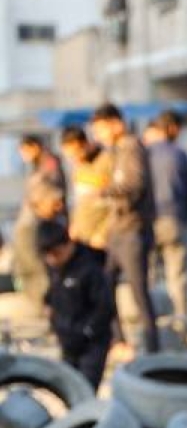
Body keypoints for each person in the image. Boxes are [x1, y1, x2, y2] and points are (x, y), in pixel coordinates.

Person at [90, 102, 160, 355]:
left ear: (115, 123)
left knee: (139, 291)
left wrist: (104, 191)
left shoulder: (131, 147)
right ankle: (118, 341)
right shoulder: (117, 151)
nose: (99, 135)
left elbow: (134, 185)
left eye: (101, 129)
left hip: (133, 230)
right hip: (118, 231)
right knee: (105, 287)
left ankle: (152, 349)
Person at [37, 219, 115, 391]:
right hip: (66, 340)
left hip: (91, 344)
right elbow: (53, 291)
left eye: (56, 254)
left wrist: (88, 331)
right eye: (47, 256)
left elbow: (105, 306)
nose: (52, 260)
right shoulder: (55, 267)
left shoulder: (90, 267)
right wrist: (48, 304)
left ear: (67, 245)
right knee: (66, 391)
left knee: (84, 391)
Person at [144, 110, 187, 333]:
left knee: (150, 274)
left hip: (149, 220)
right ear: (171, 129)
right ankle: (181, 320)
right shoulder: (179, 154)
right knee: (177, 274)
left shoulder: (145, 154)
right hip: (174, 219)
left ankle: (150, 320)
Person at [14, 135, 67, 315]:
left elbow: (54, 196)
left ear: (35, 146)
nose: (23, 155)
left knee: (40, 268)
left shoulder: (49, 164)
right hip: (32, 223)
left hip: (42, 225)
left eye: (24, 150)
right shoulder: (38, 166)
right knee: (28, 266)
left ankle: (50, 308)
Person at [61, 126, 111, 255]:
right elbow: (79, 201)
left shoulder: (106, 161)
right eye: (70, 156)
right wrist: (74, 225)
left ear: (84, 144)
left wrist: (103, 232)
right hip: (83, 236)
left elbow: (117, 203)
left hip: (102, 238)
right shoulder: (79, 168)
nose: (74, 159)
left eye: (76, 153)